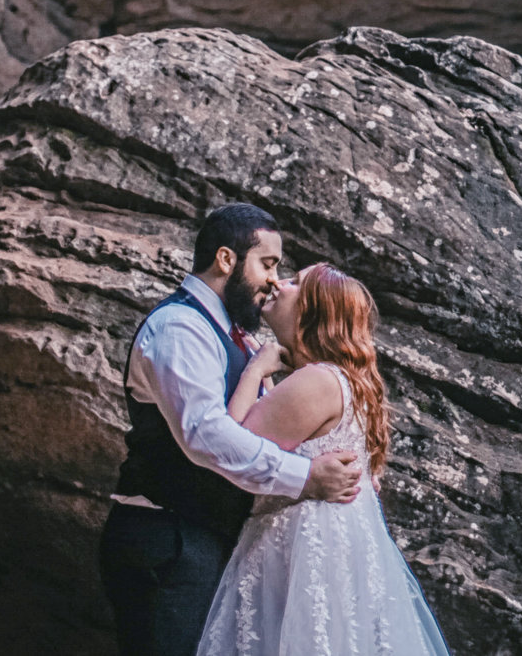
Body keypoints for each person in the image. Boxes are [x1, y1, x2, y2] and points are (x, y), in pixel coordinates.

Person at [101, 204, 368, 656]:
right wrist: (306, 477)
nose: (273, 279)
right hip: (167, 538)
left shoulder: (231, 334)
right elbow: (206, 437)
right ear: (226, 259)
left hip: (200, 540)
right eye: (267, 263)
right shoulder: (180, 328)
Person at [197, 264, 452, 656]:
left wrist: (256, 369)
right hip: (335, 549)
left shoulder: (316, 381)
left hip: (303, 551)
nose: (278, 283)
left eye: (297, 282)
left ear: (315, 310)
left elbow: (230, 448)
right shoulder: (343, 382)